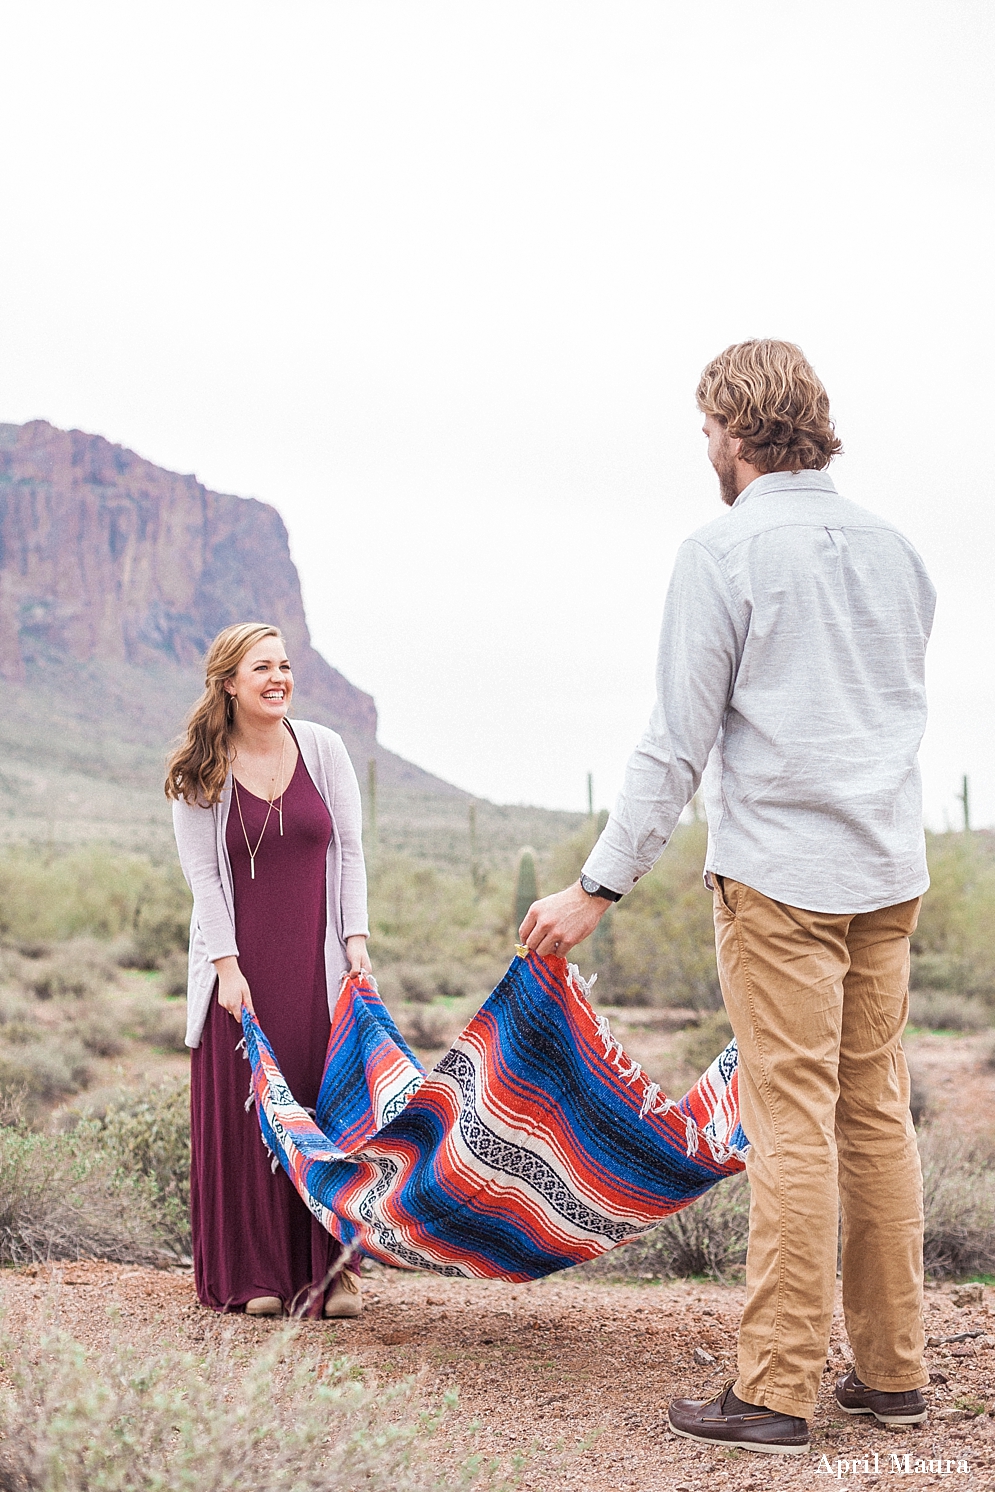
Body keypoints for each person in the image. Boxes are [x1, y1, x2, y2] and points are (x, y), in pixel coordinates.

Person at [520, 340, 935, 1456]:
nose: (702, 446)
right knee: (870, 1113)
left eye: (706, 426)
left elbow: (672, 744)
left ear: (737, 430)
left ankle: (774, 1392)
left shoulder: (721, 551)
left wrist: (595, 884)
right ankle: (892, 1374)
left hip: (783, 884)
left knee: (790, 1123)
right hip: (886, 874)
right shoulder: (897, 551)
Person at [167, 621, 372, 1319]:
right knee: (249, 1116)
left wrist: (357, 941)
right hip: (241, 969)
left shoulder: (323, 748)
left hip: (314, 967)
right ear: (229, 682)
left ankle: (333, 1273)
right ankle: (251, 1271)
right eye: (262, 668)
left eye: (284, 665)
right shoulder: (201, 767)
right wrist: (225, 967)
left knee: (324, 1111)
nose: (278, 677)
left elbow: (349, 851)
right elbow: (204, 877)